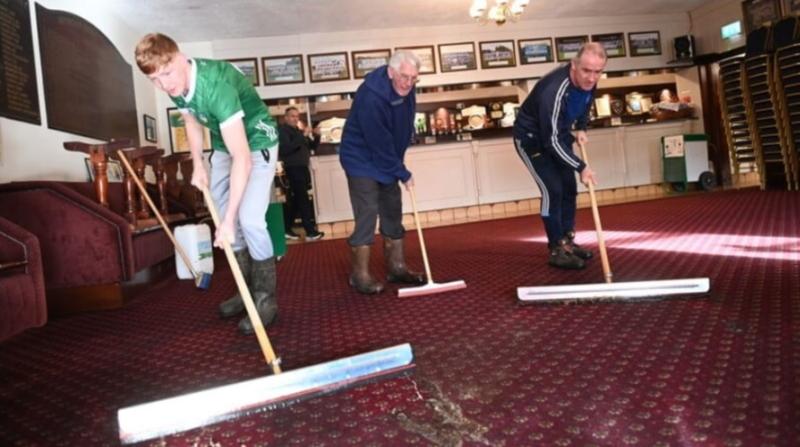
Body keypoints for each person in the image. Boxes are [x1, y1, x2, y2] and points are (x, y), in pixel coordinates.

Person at [135, 33, 279, 335]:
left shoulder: (216, 87)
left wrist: (228, 221)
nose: (164, 85)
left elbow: (244, 158)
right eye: (155, 80)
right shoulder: (175, 83)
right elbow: (190, 120)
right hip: (227, 144)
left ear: (180, 57)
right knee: (222, 211)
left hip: (257, 140)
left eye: (166, 74)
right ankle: (245, 291)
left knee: (248, 220)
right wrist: (198, 163)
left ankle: (265, 299)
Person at [338, 50, 426, 294]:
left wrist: (398, 164)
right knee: (367, 211)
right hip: (360, 159)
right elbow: (378, 142)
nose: (408, 83)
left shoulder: (408, 90)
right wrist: (402, 172)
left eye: (413, 78)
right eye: (404, 77)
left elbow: (402, 127)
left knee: (392, 206)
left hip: (385, 158)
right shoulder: (371, 96)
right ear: (391, 72)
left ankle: (396, 267)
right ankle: (360, 275)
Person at [513, 42, 605, 270]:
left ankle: (568, 241)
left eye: (597, 72)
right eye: (586, 70)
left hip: (558, 134)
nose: (592, 77)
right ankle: (556, 248)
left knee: (569, 189)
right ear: (574, 65)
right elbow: (550, 141)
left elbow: (586, 100)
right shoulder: (553, 90)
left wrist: (582, 127)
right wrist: (581, 166)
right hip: (532, 139)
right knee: (553, 189)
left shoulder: (589, 81)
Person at [278, 107, 324, 241]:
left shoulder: (298, 131)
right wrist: (302, 135)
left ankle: (286, 228)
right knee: (302, 199)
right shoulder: (283, 131)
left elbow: (312, 147)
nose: (295, 119)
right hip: (293, 168)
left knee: (297, 200)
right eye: (292, 116)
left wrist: (317, 135)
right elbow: (285, 149)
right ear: (285, 118)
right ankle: (310, 232)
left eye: (297, 116)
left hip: (303, 168)